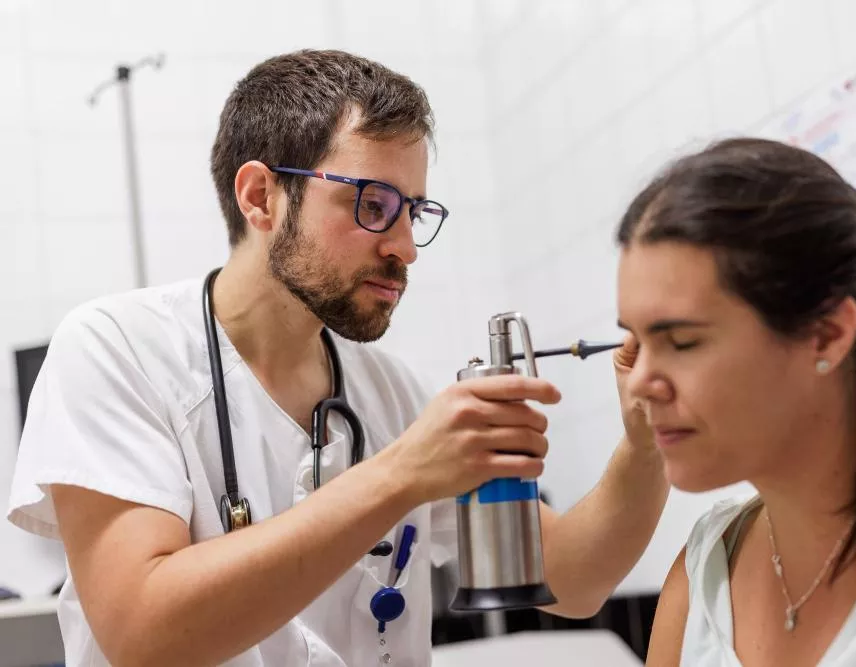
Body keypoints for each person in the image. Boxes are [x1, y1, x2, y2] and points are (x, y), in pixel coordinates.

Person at [6, 49, 668, 667]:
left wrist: (644, 444)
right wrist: (400, 475)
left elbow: (572, 579)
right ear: (261, 196)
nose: (406, 246)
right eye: (373, 205)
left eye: (414, 211)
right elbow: (143, 631)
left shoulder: (394, 394)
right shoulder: (116, 349)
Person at [614, 137, 856, 666]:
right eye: (638, 342)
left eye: (682, 342)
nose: (638, 384)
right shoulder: (706, 568)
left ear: (825, 335)